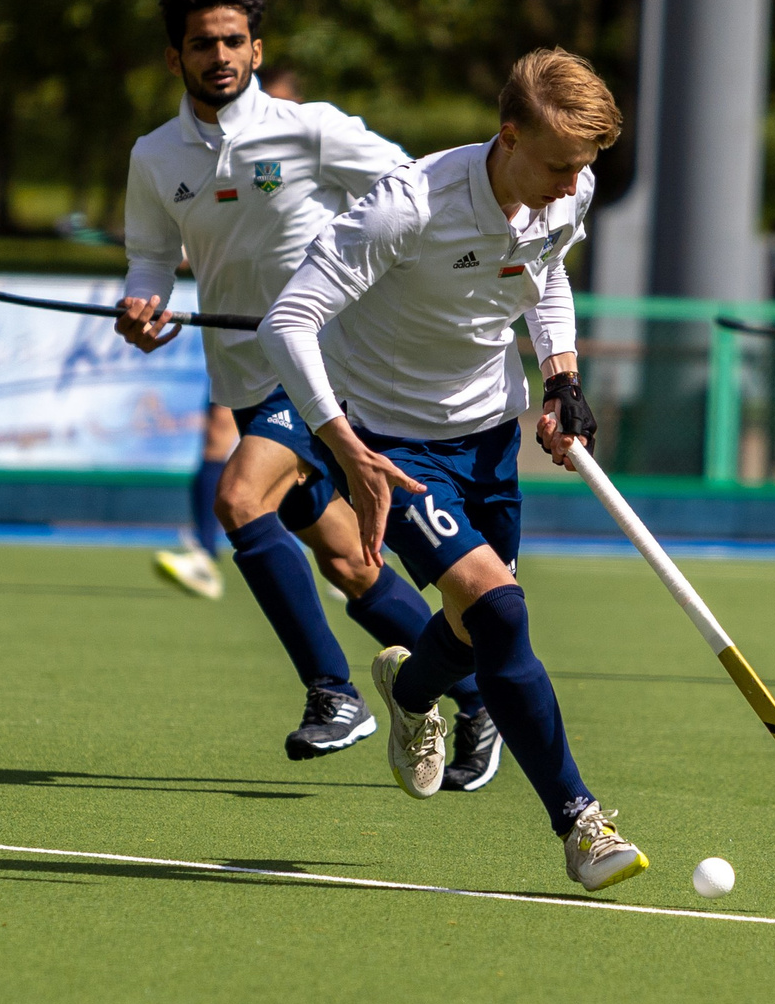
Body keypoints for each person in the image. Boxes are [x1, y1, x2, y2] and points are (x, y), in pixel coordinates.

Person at [263, 47, 647, 892]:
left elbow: (544, 277)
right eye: (554, 163)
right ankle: (581, 822)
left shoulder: (567, 187)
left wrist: (564, 377)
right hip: (392, 444)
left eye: (582, 167)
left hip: (488, 435)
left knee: (474, 623)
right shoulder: (406, 207)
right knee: (501, 610)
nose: (569, 183)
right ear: (506, 135)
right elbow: (288, 322)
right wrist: (345, 448)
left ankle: (409, 690)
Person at [119, 0, 500, 786]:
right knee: (351, 562)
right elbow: (151, 255)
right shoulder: (155, 156)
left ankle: (336, 692)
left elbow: (413, 190)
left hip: (327, 362)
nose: (219, 56)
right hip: (246, 377)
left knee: (238, 499)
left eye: (232, 41)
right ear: (174, 55)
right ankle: (478, 695)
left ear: (257, 49)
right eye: (201, 43)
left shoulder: (311, 131)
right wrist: (144, 302)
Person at [153, 67, 311, 601]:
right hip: (238, 341)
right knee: (218, 438)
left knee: (335, 458)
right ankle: (203, 552)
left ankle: (361, 551)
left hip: (308, 343)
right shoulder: (225, 164)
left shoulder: (306, 162)